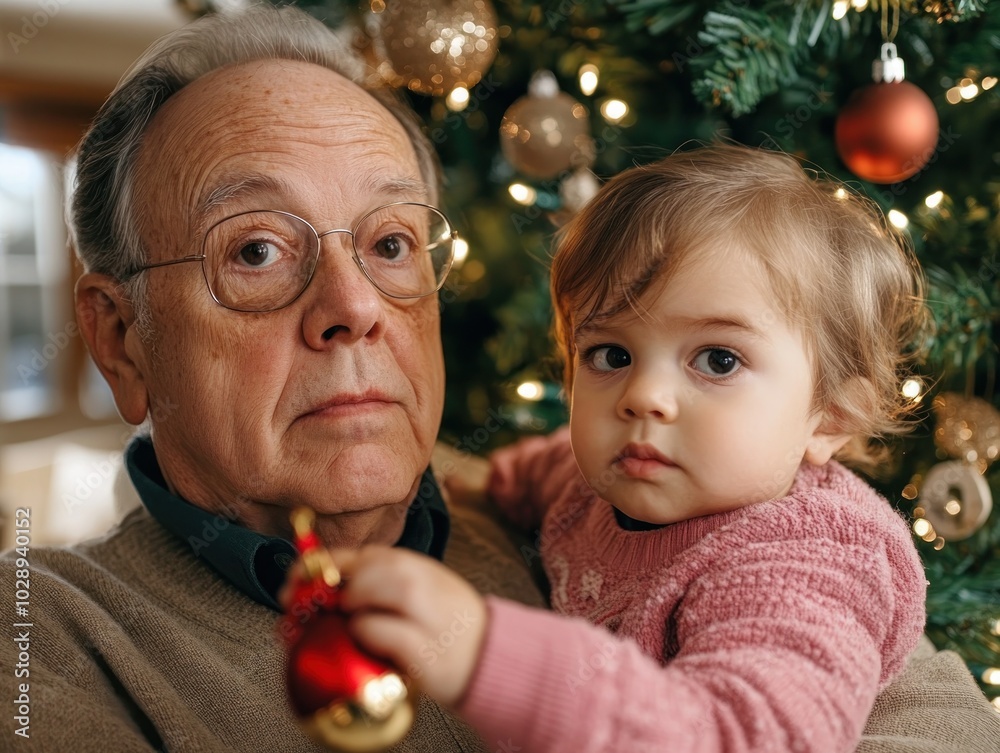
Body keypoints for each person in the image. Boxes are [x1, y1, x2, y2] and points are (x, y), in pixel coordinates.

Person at [0, 5, 996, 751]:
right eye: (256, 250)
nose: (355, 304)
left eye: (391, 241)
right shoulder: (41, 646)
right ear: (121, 339)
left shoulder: (738, 523)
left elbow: (942, 724)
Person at [323, 146, 1000, 753]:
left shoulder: (803, 562)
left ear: (829, 418)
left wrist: (485, 651)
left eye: (717, 358)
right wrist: (473, 490)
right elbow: (536, 472)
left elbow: (742, 735)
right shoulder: (602, 475)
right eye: (611, 353)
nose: (644, 396)